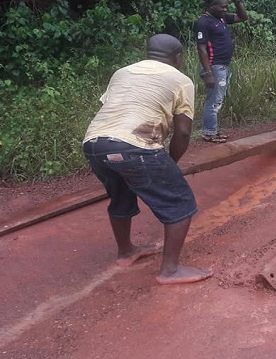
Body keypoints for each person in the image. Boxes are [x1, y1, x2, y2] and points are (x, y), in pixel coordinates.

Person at [83, 34, 212, 285]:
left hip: (95, 144)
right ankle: (170, 271)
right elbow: (183, 131)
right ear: (178, 57)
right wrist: (170, 164)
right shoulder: (181, 80)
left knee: (121, 194)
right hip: (135, 146)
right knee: (180, 203)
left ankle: (126, 252)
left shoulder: (122, 72)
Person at [194, 0, 248, 143]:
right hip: (214, 67)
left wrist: (237, 2)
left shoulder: (221, 18)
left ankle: (212, 130)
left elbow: (243, 17)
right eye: (222, 7)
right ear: (211, 6)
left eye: (227, 6)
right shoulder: (203, 22)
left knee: (217, 99)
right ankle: (209, 133)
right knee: (214, 101)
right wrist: (208, 72)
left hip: (222, 66)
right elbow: (201, 48)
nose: (225, 9)